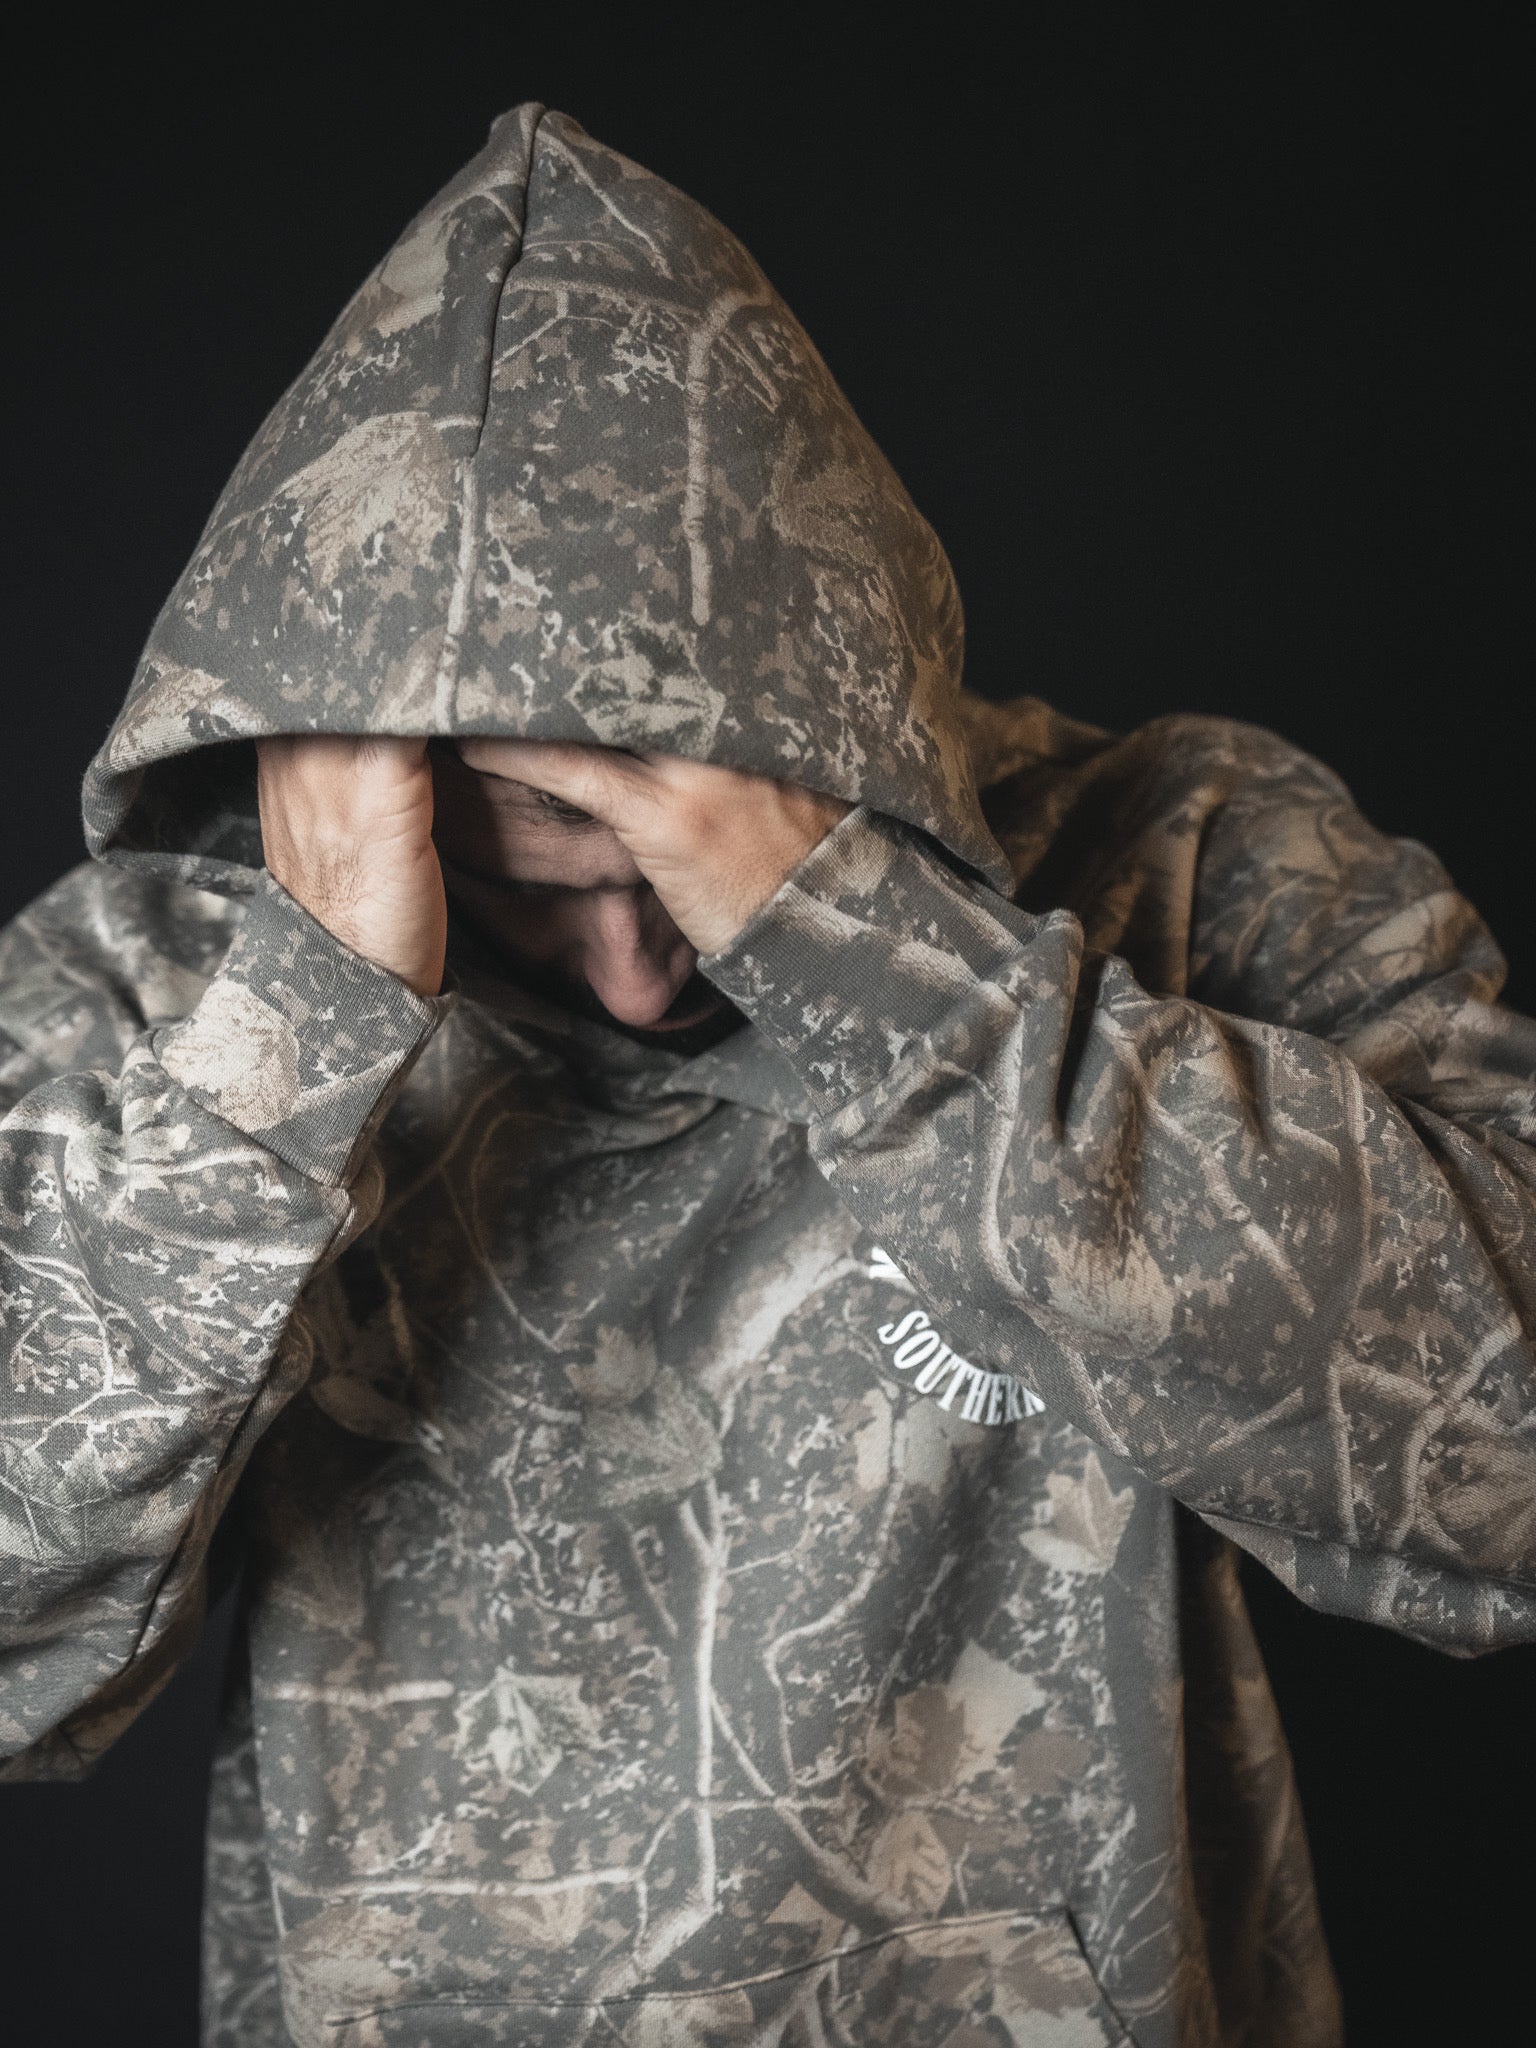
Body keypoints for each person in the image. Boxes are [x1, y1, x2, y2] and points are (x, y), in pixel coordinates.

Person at [1, 103, 1532, 2048]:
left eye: (688, 888)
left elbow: (1508, 1462)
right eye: (531, 892)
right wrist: (305, 1017)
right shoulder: (162, 998)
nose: (646, 974)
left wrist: (862, 950)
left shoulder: (1176, 868)